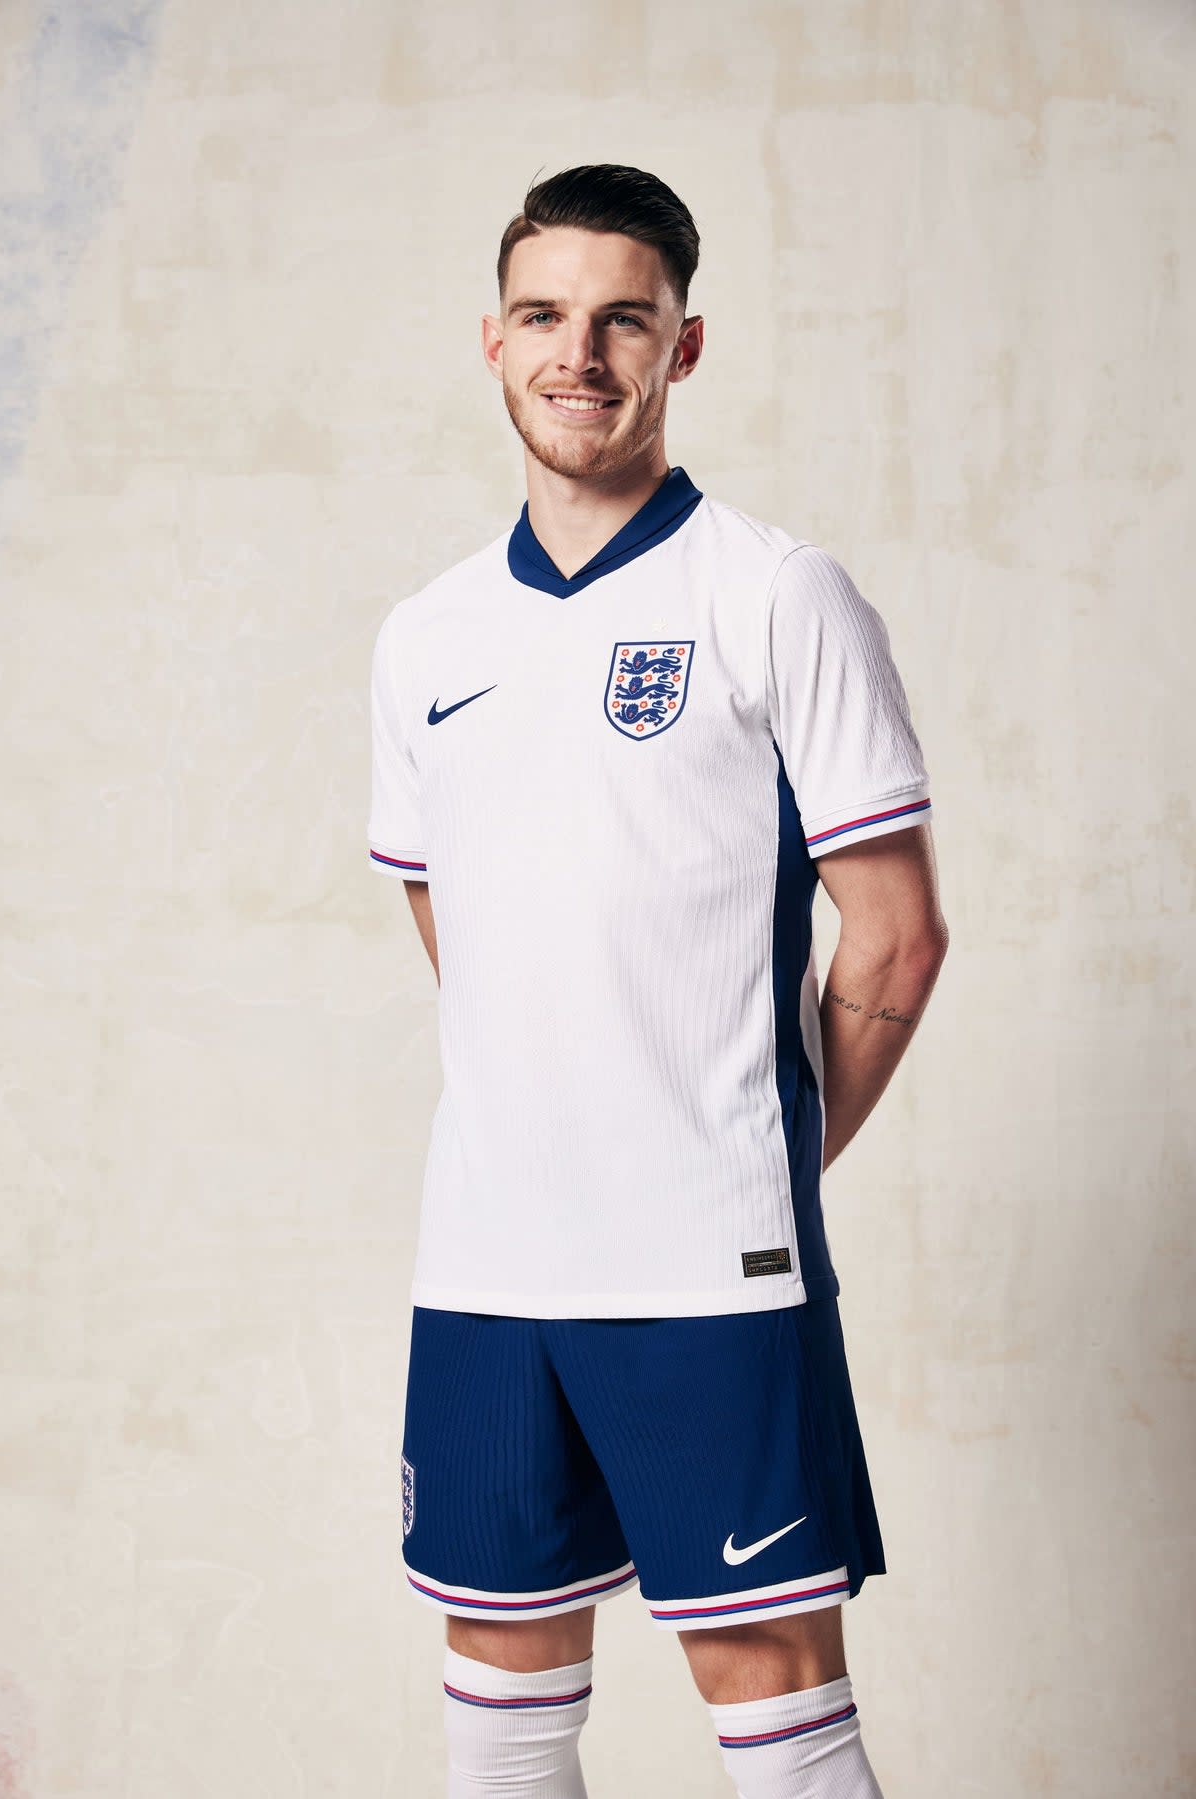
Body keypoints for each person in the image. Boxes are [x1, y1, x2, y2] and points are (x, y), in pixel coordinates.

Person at [369, 163, 948, 1799]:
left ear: (683, 347)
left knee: (767, 1687)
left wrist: (761, 1150)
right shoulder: (426, 637)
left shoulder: (774, 594)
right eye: (546, 317)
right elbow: (455, 928)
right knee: (499, 1685)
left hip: (706, 1263)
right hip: (484, 1259)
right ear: (493, 342)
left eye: (625, 318)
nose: (582, 353)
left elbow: (895, 931)